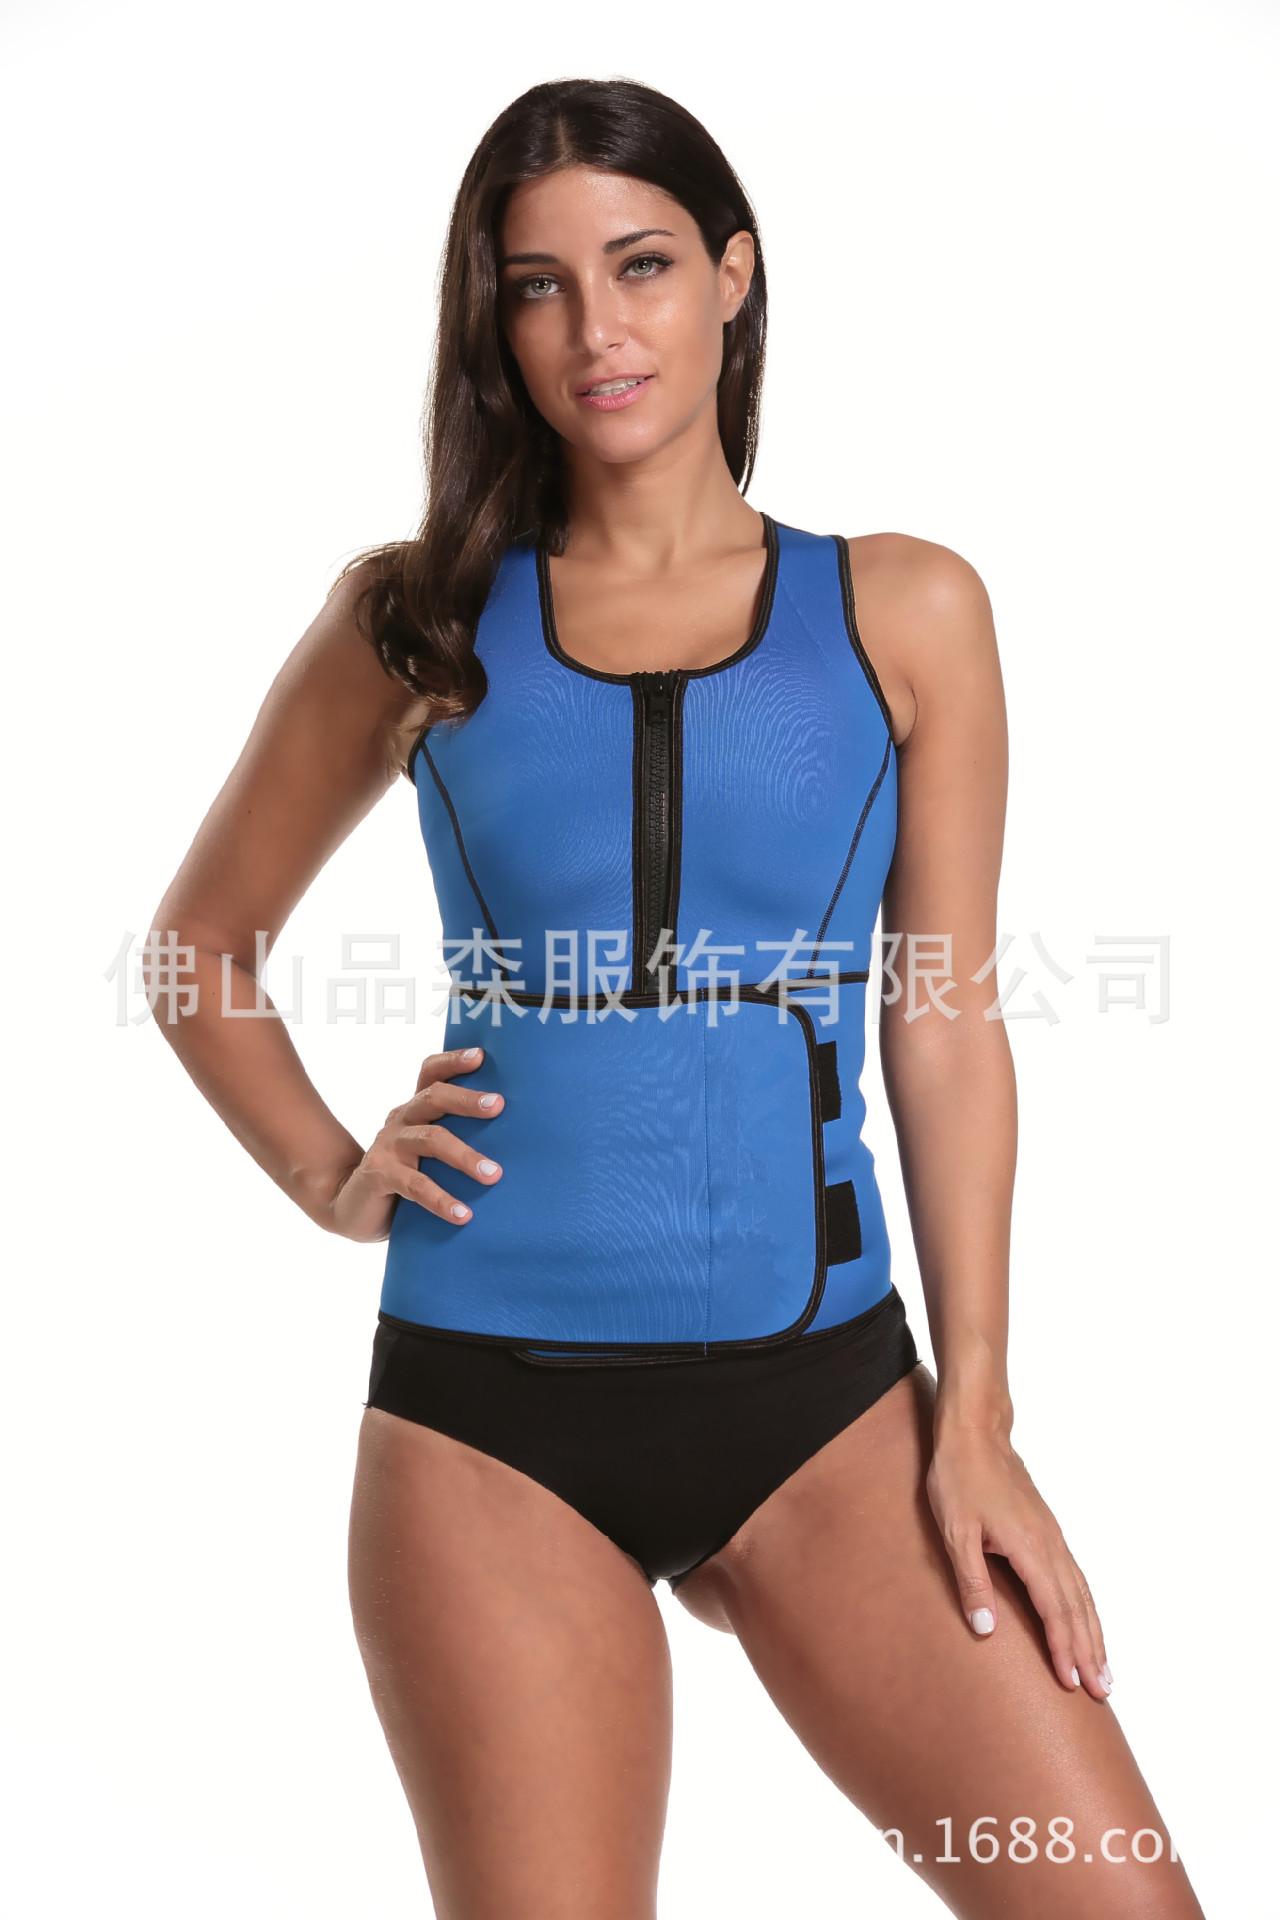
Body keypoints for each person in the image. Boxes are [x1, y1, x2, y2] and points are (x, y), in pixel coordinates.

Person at [149, 76, 1206, 1920]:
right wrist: (331, 1175)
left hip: (830, 1412)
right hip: (488, 1431)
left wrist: (976, 1417)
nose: (595, 331)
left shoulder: (904, 610)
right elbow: (199, 953)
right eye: (537, 287)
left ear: (734, 275)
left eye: (639, 266)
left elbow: (944, 1018)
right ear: (495, 324)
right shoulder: (417, 623)